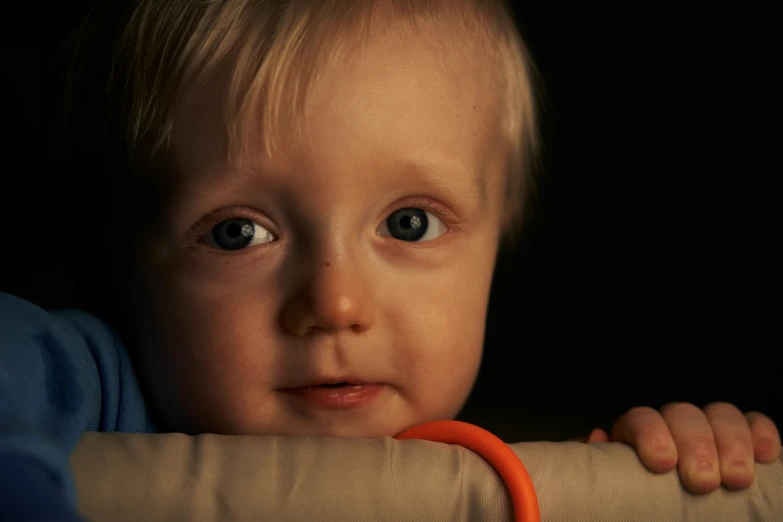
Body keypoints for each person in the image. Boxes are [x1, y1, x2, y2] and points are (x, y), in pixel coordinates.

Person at [1, 1, 779, 520]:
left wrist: (681, 460)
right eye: (239, 232)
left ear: (497, 239)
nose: (337, 304)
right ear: (103, 263)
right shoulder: (90, 381)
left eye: (408, 222)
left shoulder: (493, 474)